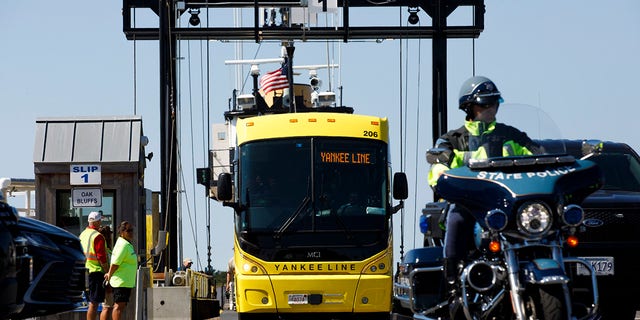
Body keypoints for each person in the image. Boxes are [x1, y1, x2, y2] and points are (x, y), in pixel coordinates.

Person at [427, 76, 543, 298]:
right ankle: (452, 285)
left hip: (508, 201)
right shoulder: (452, 139)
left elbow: (540, 155)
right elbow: (438, 166)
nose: (490, 108)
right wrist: (441, 175)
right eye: (484, 104)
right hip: (471, 203)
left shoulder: (511, 135)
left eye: (494, 103)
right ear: (469, 107)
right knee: (456, 217)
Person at [79, 211, 109, 320]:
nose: (101, 222)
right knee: (94, 302)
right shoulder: (98, 236)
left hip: (84, 271)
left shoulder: (83, 234)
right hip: (95, 272)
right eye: (100, 220)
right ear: (96, 222)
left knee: (91, 301)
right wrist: (107, 271)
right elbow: (101, 257)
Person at [104, 221, 137, 320]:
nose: (131, 233)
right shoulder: (122, 245)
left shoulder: (126, 244)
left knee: (120, 306)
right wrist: (109, 275)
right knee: (118, 306)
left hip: (125, 282)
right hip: (120, 282)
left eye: (132, 230)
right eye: (129, 231)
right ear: (122, 232)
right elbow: (115, 263)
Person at [98, 225, 113, 320]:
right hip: (107, 280)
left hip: (103, 278)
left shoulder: (106, 249)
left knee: (107, 306)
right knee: (107, 307)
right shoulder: (107, 250)